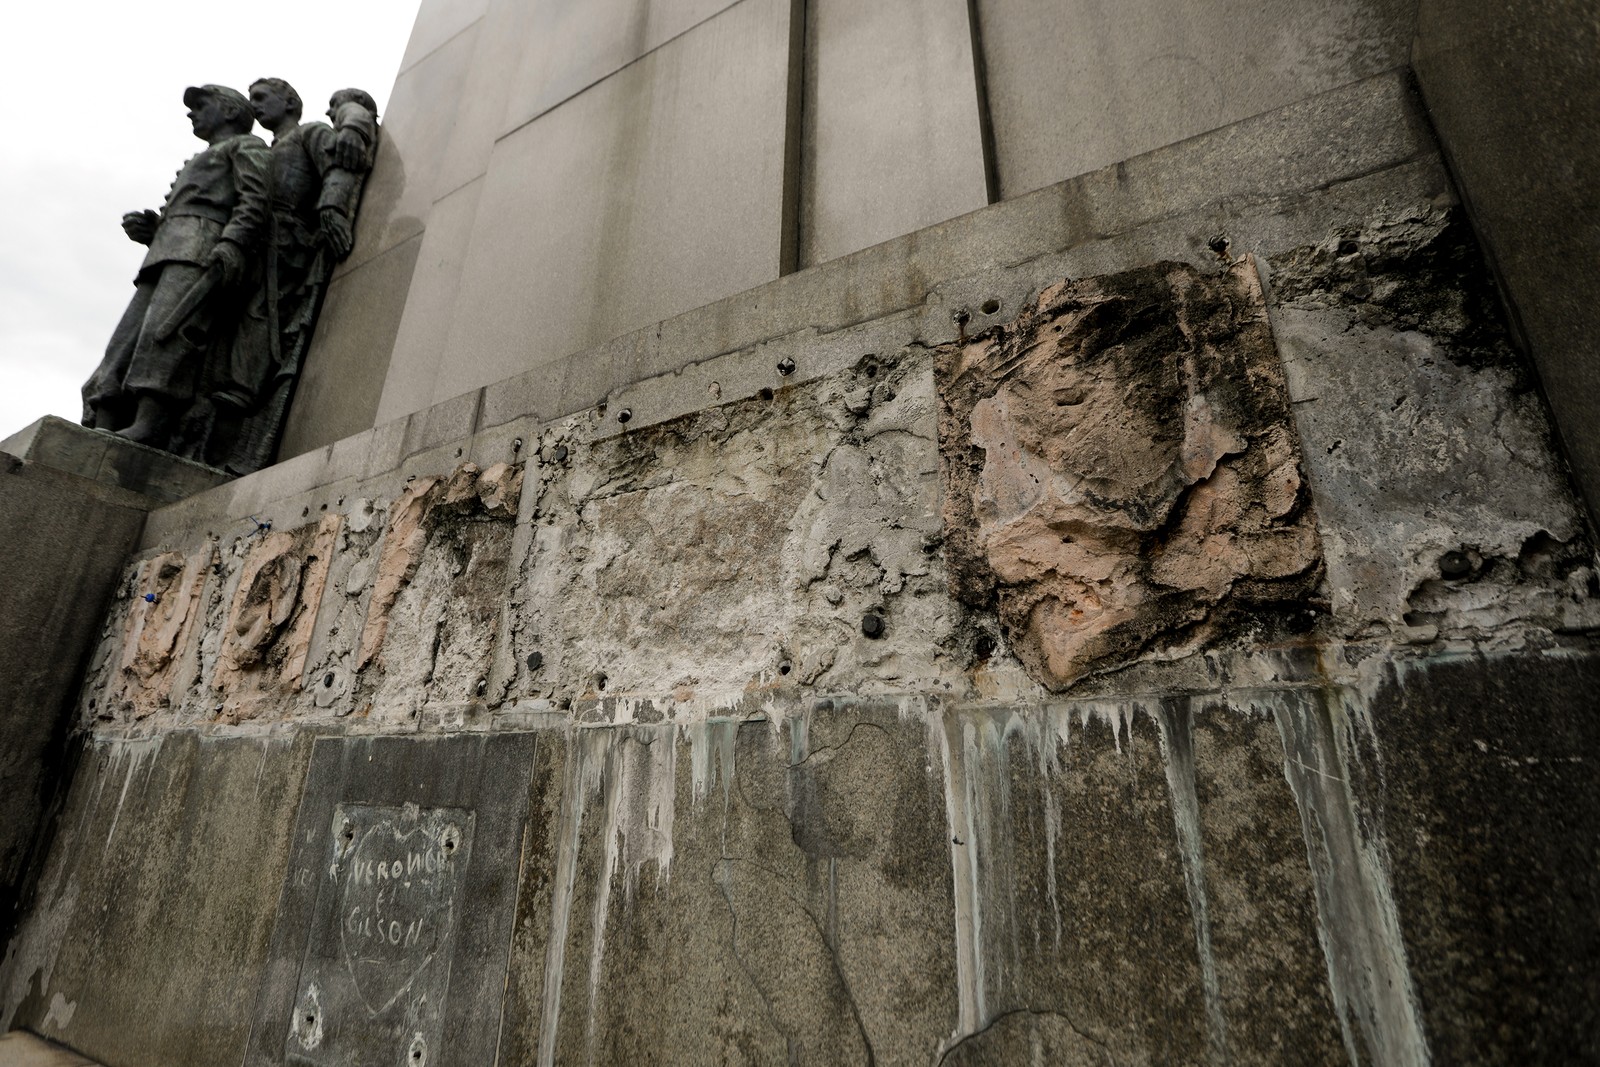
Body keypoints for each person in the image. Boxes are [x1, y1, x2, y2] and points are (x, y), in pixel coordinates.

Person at [82, 85, 270, 448]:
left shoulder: (247, 146)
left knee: (166, 335)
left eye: (202, 105)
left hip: (202, 250)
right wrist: (153, 230)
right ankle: (106, 415)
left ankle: (151, 421)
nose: (192, 113)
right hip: (166, 251)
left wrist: (232, 243)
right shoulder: (202, 156)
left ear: (231, 112)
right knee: (125, 340)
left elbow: (255, 199)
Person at [208, 77, 374, 472]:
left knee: (254, 342)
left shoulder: (312, 132)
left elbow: (340, 163)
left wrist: (331, 207)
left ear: (290, 101)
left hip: (285, 252)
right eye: (251, 100)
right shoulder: (261, 150)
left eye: (262, 98)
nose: (256, 105)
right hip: (251, 248)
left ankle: (224, 452)